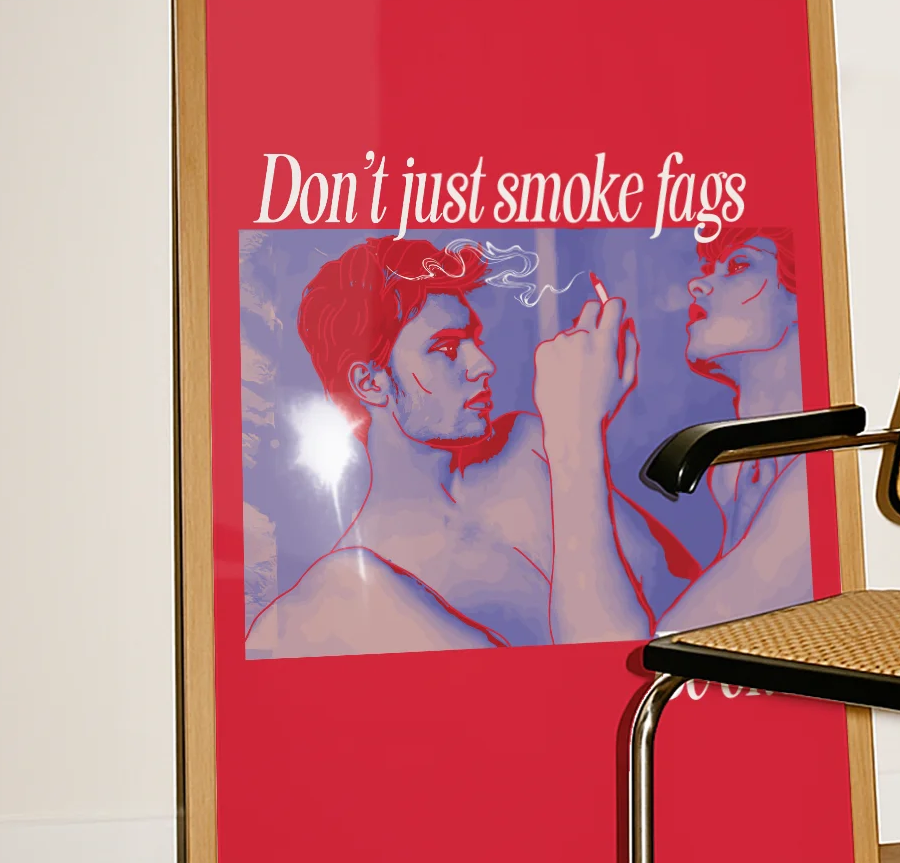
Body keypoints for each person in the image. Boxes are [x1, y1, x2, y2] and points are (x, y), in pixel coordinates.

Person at [246, 238, 694, 657]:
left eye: (473, 339)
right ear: (371, 383)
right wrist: (577, 431)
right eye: (446, 349)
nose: (484, 364)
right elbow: (608, 675)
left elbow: (684, 587)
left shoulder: (530, 444)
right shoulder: (354, 589)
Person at [656, 226, 814, 631]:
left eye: (739, 265)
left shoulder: (816, 475)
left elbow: (674, 641)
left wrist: (577, 427)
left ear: (804, 299)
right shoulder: (732, 471)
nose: (697, 285)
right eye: (709, 268)